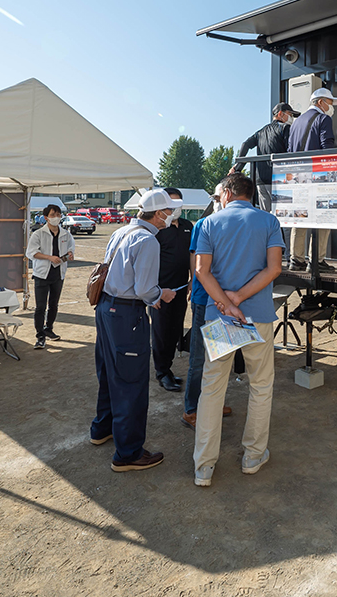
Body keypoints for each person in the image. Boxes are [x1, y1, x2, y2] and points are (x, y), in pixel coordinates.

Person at [191, 172, 283, 487]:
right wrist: (241, 298)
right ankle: (253, 456)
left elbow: (201, 270)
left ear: (228, 193)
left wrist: (226, 304)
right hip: (257, 315)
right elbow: (274, 268)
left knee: (212, 388)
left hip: (221, 317)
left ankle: (203, 466)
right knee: (260, 386)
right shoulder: (269, 222)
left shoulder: (209, 224)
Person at [91, 188, 181, 472]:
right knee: (131, 382)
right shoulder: (148, 241)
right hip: (127, 315)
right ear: (158, 214)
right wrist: (161, 295)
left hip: (106, 309)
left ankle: (102, 428)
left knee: (109, 372)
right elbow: (144, 290)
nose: (171, 215)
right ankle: (128, 453)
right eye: (168, 210)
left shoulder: (121, 232)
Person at [182, 194, 234, 428]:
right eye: (216, 197)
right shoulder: (204, 224)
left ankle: (212, 401)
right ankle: (191, 409)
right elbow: (195, 258)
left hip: (226, 300)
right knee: (200, 356)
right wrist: (195, 282)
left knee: (220, 355)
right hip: (206, 300)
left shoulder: (235, 223)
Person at [286, 87, 337, 272]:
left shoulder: (295, 122)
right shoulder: (323, 119)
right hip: (316, 176)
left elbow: (289, 150)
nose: (331, 107)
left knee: (299, 218)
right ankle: (316, 260)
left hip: (296, 176)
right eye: (330, 102)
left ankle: (296, 259)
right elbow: (327, 148)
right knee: (324, 217)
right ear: (320, 102)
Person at [150, 188, 193, 392]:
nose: (175, 208)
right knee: (161, 333)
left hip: (181, 289)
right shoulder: (157, 228)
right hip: (161, 291)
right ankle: (162, 372)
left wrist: (193, 278)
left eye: (178, 204)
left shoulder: (187, 225)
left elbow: (193, 254)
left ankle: (168, 368)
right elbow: (148, 261)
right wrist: (154, 292)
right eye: (171, 204)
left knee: (175, 331)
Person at [25, 204, 75, 349]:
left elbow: (71, 249)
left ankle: (49, 329)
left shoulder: (66, 234)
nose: (56, 217)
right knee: (40, 306)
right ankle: (40, 335)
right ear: (46, 217)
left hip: (58, 274)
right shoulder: (38, 234)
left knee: (53, 305)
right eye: (53, 215)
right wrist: (49, 257)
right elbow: (31, 253)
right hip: (42, 274)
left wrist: (70, 255)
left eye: (58, 214)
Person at [231, 102, 298, 210]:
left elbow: (245, 144)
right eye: (290, 114)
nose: (291, 118)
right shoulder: (285, 128)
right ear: (280, 114)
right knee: (282, 215)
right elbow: (290, 150)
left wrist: (237, 168)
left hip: (261, 180)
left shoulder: (260, 132)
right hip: (279, 178)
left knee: (266, 215)